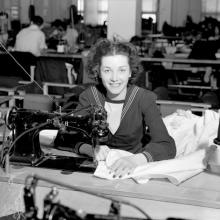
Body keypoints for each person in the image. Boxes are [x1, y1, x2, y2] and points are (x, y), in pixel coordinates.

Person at [72, 39, 176, 178]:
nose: (115, 78)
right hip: (99, 174)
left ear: (130, 72)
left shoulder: (143, 98)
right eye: (107, 70)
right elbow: (67, 136)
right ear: (98, 72)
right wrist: (90, 149)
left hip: (134, 172)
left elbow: (166, 144)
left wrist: (137, 159)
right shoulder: (89, 97)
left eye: (122, 70)